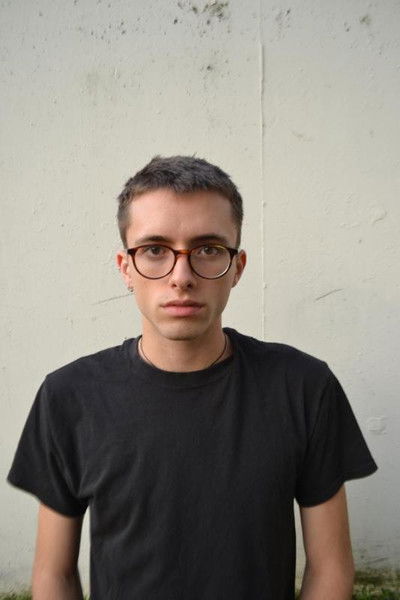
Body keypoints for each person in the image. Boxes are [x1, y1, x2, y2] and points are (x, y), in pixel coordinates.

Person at [7, 155, 378, 600]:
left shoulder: (303, 387)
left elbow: (331, 568)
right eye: (155, 250)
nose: (181, 277)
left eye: (208, 249)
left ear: (237, 267)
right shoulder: (69, 397)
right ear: (125, 267)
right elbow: (54, 576)